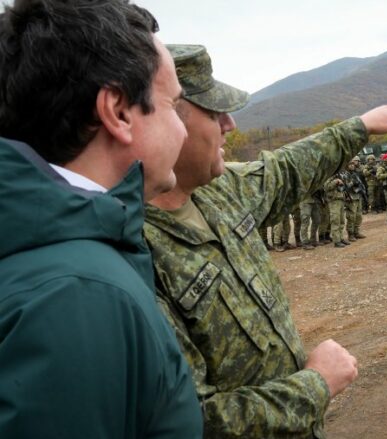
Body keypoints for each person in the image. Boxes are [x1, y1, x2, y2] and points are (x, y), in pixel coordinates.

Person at [142, 44, 387, 438]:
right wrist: (314, 385)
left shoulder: (217, 191)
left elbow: (286, 170)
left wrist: (360, 126)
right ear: (165, 121)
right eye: (214, 113)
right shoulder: (137, 252)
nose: (230, 124)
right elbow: (194, 420)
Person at [0, 1, 202, 438]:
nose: (183, 130)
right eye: (172, 105)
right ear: (118, 112)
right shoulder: (76, 296)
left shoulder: (49, 256)